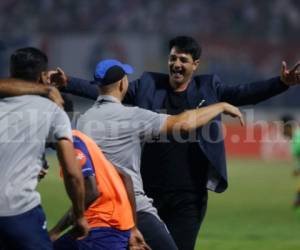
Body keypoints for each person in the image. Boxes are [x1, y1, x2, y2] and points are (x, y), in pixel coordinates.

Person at [0, 36, 299, 249]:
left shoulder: (211, 87)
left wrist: (281, 83)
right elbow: (103, 90)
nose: (176, 64)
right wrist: (68, 83)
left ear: (195, 64)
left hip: (188, 194)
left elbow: (245, 93)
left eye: (183, 59)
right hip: (147, 191)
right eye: (172, 58)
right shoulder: (146, 86)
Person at [75, 59, 243, 249]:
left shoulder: (83, 121)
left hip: (95, 211)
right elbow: (184, 123)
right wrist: (219, 106)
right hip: (132, 209)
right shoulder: (133, 116)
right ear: (122, 83)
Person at [0, 47, 88, 250]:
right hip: (19, 212)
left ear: (12, 73)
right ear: (42, 75)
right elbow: (73, 173)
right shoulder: (53, 109)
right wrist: (80, 215)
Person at [48, 95, 150, 250]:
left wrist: (55, 232)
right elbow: (125, 177)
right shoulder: (84, 140)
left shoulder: (73, 142)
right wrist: (133, 228)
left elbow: (91, 191)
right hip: (113, 229)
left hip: (101, 230)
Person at [281, 114, 300, 209]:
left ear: (288, 127)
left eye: (282, 127)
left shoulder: (298, 141)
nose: (281, 131)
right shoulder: (297, 138)